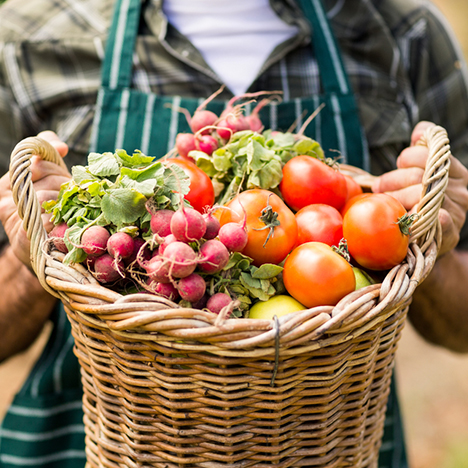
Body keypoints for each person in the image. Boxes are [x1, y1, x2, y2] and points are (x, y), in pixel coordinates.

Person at [0, 0, 468, 466]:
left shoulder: (406, 33)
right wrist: (36, 258)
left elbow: (460, 328)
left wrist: (427, 237)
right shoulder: (27, 36)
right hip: (101, 435)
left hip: (327, 437)